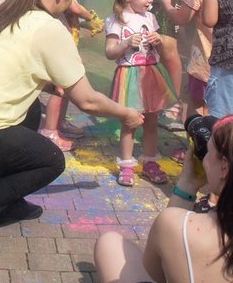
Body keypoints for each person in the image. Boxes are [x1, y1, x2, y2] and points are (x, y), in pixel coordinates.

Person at [0, 0, 143, 255]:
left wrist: (43, 82)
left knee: (32, 110)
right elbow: (87, 100)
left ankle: (8, 203)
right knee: (50, 160)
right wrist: (127, 113)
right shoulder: (50, 28)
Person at [94, 116, 233, 283]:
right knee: (111, 243)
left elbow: (154, 273)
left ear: (224, 167)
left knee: (109, 244)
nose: (204, 160)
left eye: (208, 152)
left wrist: (188, 184)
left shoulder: (178, 227)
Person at [104, 0, 176, 186]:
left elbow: (159, 50)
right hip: (129, 76)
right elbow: (109, 53)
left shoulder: (150, 17)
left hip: (151, 74)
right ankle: (126, 164)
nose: (150, 0)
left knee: (151, 122)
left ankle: (150, 162)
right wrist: (126, 43)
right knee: (130, 122)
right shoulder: (116, 20)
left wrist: (158, 40)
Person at [161, 0, 231, 119]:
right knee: (221, 109)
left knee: (196, 103)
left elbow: (181, 18)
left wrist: (168, 7)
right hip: (226, 64)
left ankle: (195, 145)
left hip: (202, 65)